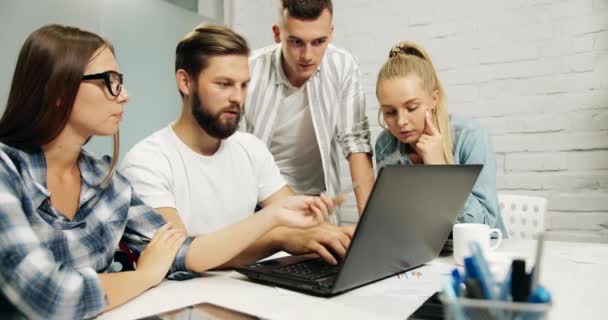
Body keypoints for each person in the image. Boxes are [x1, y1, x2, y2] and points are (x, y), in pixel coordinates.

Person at [0, 24, 334, 319]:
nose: (125, 96)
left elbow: (182, 252)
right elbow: (51, 298)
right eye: (110, 82)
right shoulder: (6, 170)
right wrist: (144, 276)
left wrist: (273, 216)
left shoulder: (105, 182)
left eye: (121, 81)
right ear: (59, 90)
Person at [121, 24, 352, 266]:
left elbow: (297, 220)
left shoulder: (251, 148)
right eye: (224, 84)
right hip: (186, 299)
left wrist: (334, 234)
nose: (238, 98)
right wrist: (278, 238)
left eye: (243, 85)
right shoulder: (146, 162)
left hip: (247, 292)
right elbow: (179, 253)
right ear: (185, 82)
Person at [242, 0, 375, 218]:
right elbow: (232, 151)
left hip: (317, 201)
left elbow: (356, 143)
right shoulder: (250, 71)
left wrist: (370, 226)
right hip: (260, 202)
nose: (307, 56)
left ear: (331, 34)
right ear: (277, 34)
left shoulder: (343, 66)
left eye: (318, 42)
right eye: (296, 42)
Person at [374, 41, 507, 233]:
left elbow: (486, 225)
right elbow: (393, 221)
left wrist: (441, 171)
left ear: (433, 99)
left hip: (481, 253)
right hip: (423, 255)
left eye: (411, 108)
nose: (401, 121)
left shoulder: (471, 137)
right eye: (389, 112)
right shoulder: (386, 145)